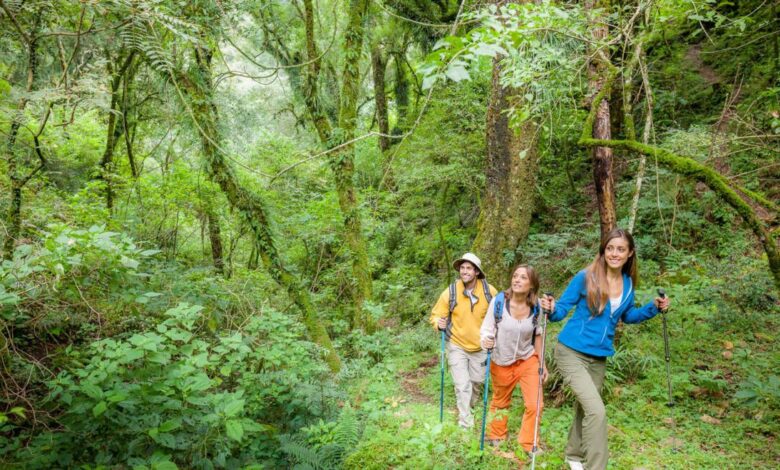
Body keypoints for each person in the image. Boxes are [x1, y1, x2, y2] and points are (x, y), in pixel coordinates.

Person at [541, 228, 670, 470]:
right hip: (571, 351)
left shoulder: (628, 284)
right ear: (603, 250)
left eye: (620, 249)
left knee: (585, 407)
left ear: (630, 253)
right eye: (610, 248)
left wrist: (653, 307)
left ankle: (573, 455)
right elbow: (559, 312)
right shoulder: (585, 276)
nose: (614, 253)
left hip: (599, 357)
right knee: (597, 411)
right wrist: (550, 307)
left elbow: (628, 316)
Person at [480, 264, 548, 455]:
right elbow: (486, 328)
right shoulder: (499, 302)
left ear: (532, 285)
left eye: (523, 277)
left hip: (527, 359)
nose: (517, 280)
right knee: (501, 400)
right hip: (501, 359)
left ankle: (528, 443)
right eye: (515, 276)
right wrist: (486, 340)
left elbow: (538, 336)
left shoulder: (536, 308)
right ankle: (496, 434)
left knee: (536, 403)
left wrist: (542, 363)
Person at [430, 253, 498, 429]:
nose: (464, 271)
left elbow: (499, 315)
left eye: (469, 268)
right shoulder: (451, 291)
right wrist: (439, 323)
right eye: (462, 268)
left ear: (476, 272)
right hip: (456, 344)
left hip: (481, 346)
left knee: (476, 383)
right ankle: (465, 423)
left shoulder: (489, 292)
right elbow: (437, 314)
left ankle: (469, 408)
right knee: (462, 385)